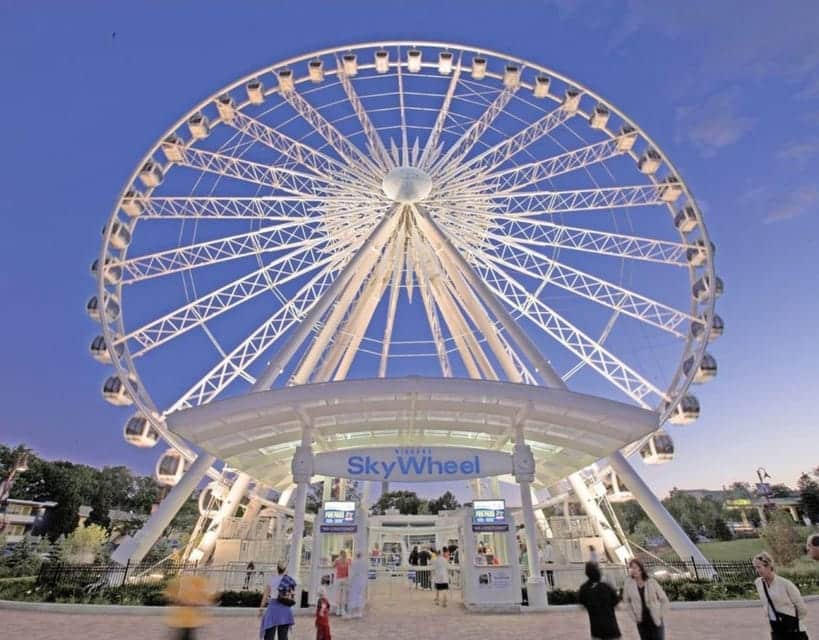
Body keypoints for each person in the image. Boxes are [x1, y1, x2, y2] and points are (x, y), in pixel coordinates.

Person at [753, 551, 809, 639]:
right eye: (755, 567)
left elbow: (801, 608)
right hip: (775, 628)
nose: (757, 570)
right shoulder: (758, 583)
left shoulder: (785, 584)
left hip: (793, 629)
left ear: (768, 566)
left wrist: (793, 622)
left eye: (759, 567)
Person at [622, 558, 670, 640]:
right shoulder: (628, 584)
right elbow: (626, 602)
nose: (633, 570)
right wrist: (634, 617)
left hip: (655, 620)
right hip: (641, 621)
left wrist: (660, 614)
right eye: (631, 568)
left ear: (641, 569)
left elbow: (664, 600)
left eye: (635, 567)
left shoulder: (651, 582)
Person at [578, 561, 621, 640]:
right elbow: (616, 601)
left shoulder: (584, 589)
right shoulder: (606, 587)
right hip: (611, 628)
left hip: (596, 630)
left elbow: (582, 602)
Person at [164, 573, 214, 640]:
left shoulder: (198, 582)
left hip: (189, 621)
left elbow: (205, 600)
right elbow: (172, 598)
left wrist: (198, 604)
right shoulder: (178, 582)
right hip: (182, 620)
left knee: (185, 636)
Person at [259, 563, 297, 640]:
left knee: (269, 636)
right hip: (285, 608)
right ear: (285, 569)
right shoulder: (289, 580)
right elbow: (292, 595)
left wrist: (261, 608)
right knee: (283, 636)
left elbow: (265, 596)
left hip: (273, 609)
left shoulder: (272, 579)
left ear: (277, 569)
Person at [347, 550, 368, 618]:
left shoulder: (354, 563)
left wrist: (349, 581)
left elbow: (352, 573)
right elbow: (366, 572)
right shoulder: (365, 563)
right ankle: (359, 612)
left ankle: (350, 613)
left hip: (355, 581)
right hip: (362, 581)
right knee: (360, 596)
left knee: (353, 596)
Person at [333, 549, 351, 616]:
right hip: (346, 578)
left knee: (338, 594)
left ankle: (338, 609)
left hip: (339, 579)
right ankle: (342, 609)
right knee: (343, 595)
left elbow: (333, 566)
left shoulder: (337, 560)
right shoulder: (348, 560)